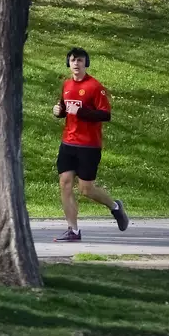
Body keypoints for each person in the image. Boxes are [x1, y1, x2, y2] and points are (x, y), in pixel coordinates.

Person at [52, 47, 129, 242]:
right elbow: (65, 108)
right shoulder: (67, 84)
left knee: (86, 189)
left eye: (80, 60)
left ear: (86, 63)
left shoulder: (95, 87)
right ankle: (73, 230)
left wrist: (81, 112)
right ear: (68, 63)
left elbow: (105, 115)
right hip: (68, 142)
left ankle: (115, 207)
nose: (76, 64)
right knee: (65, 183)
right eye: (72, 60)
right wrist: (59, 112)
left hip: (89, 145)